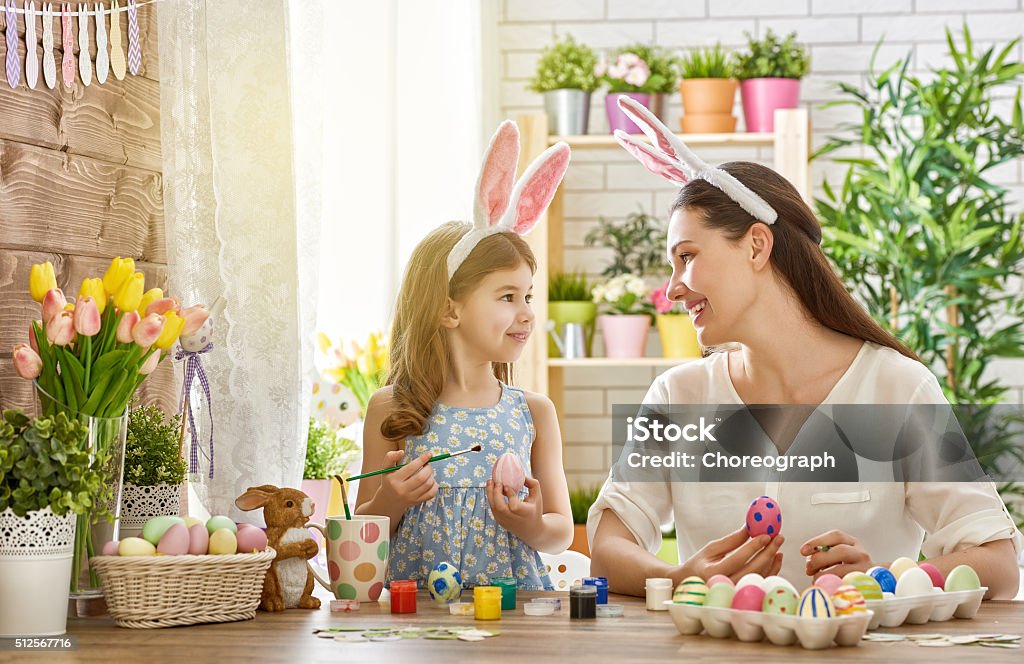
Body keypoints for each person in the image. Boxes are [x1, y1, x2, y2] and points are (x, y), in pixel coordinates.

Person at [588, 97, 1022, 598]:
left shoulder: (895, 387)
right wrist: (677, 578)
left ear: (756, 245)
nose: (673, 288)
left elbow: (999, 562)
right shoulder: (678, 395)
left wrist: (887, 577)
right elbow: (608, 545)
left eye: (687, 256)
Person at [356, 122, 573, 589]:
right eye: (507, 296)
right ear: (449, 310)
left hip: (512, 630)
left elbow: (561, 529)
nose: (527, 314)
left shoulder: (533, 412)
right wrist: (392, 500)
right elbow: (360, 538)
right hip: (418, 631)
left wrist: (530, 524)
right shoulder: (391, 410)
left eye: (528, 296)